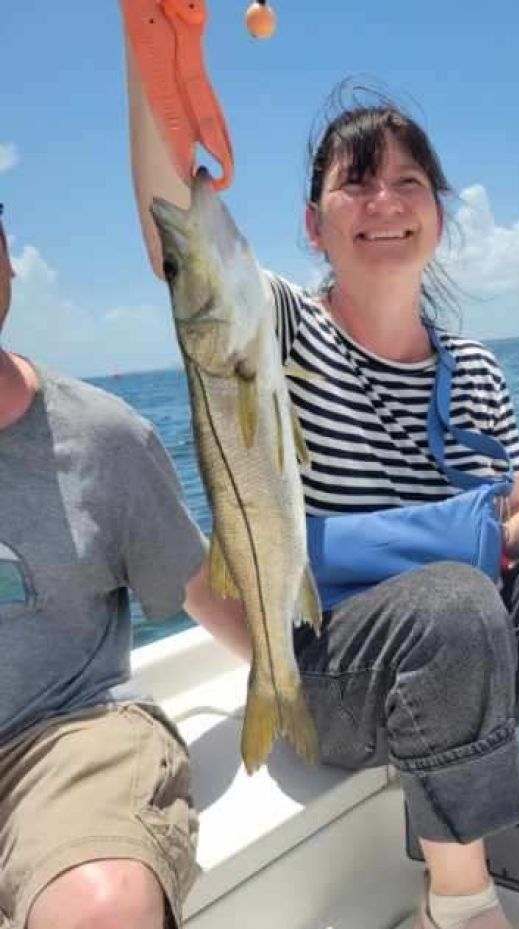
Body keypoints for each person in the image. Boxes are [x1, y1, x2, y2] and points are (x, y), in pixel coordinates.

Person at [127, 60, 519, 929]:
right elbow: (175, 237)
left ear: (438, 216)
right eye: (357, 183)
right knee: (453, 600)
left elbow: (507, 522)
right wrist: (151, 39)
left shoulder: (477, 370)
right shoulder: (276, 332)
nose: (384, 200)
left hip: (476, 666)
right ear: (312, 224)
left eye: (407, 182)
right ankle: (457, 905)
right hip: (342, 682)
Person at [0, 201, 252, 929]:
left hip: (60, 738)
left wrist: (299, 682)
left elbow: (200, 587)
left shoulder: (104, 438)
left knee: (100, 909)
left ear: (7, 253)